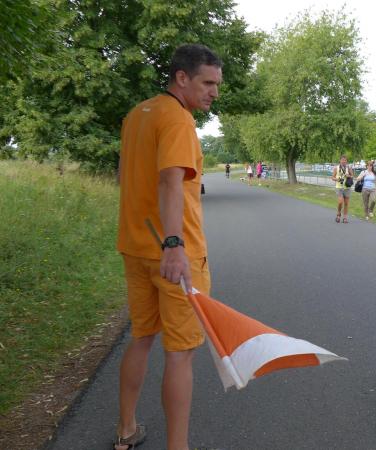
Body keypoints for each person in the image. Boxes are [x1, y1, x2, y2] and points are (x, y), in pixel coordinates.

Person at [115, 44, 222, 450]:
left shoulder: (137, 115)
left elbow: (124, 176)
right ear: (181, 77)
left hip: (136, 247)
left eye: (216, 84)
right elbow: (169, 181)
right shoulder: (178, 119)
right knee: (180, 353)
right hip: (174, 253)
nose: (214, 92)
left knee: (142, 337)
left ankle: (126, 430)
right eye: (207, 83)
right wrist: (174, 245)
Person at [332, 154, 353, 223]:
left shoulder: (348, 168)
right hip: (339, 187)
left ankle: (345, 217)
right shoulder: (336, 168)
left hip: (347, 187)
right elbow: (332, 177)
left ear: (346, 161)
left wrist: (348, 175)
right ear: (340, 160)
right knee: (340, 202)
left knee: (346, 203)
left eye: (345, 160)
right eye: (342, 160)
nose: (344, 161)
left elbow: (352, 176)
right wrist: (337, 179)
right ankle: (338, 214)